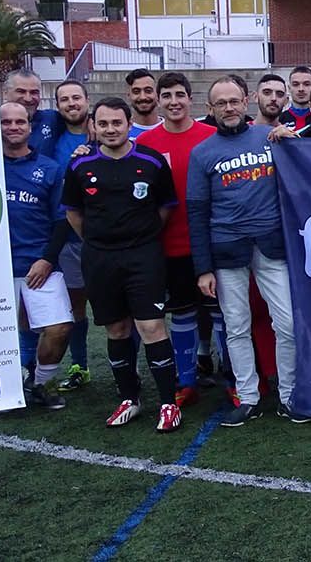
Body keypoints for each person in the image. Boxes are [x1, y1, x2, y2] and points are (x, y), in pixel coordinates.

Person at [188, 76, 306, 426]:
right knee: (236, 326)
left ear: (247, 101)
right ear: (210, 109)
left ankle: (290, 395)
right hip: (226, 250)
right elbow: (197, 211)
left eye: (234, 101)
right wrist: (202, 268)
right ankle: (249, 397)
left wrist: (291, 141)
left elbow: (303, 170)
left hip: (271, 245)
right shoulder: (203, 153)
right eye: (220, 103)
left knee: (287, 324)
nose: (229, 108)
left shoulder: (270, 137)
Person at [62, 97, 181, 432]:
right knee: (116, 330)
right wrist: (98, 241)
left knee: (152, 327)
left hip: (143, 256)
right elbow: (73, 212)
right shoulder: (79, 166)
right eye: (103, 124)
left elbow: (166, 207)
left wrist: (139, 236)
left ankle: (169, 403)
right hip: (100, 258)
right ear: (93, 127)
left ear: (130, 124)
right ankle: (130, 398)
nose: (110, 129)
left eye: (117, 123)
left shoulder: (152, 161)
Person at [136, 72, 218, 408]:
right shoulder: (146, 144)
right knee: (182, 314)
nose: (174, 102)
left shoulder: (211, 136)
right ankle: (186, 381)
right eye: (167, 95)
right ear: (158, 100)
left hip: (213, 242)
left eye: (180, 95)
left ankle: (233, 379)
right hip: (169, 245)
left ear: (191, 99)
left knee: (221, 315)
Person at [0, 101, 73, 410]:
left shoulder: (49, 168)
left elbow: (61, 220)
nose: (14, 127)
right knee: (2, 332)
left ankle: (40, 382)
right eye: (6, 122)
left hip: (37, 263)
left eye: (20, 122)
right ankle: (6, 384)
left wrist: (47, 259)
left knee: (59, 328)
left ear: (30, 127)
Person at [47, 79, 94, 391]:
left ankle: (128, 370)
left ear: (87, 100)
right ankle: (80, 366)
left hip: (108, 234)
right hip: (68, 235)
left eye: (76, 97)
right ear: (58, 106)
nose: (71, 103)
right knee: (76, 304)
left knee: (125, 307)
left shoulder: (106, 129)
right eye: (64, 99)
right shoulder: (51, 137)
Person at [2, 69, 59, 151]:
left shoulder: (52, 119)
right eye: (21, 91)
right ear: (5, 93)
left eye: (34, 92)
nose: (28, 99)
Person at [124, 69, 162, 136]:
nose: (143, 97)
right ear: (128, 96)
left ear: (157, 94)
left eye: (148, 91)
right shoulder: (122, 133)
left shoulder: (172, 128)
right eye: (136, 92)